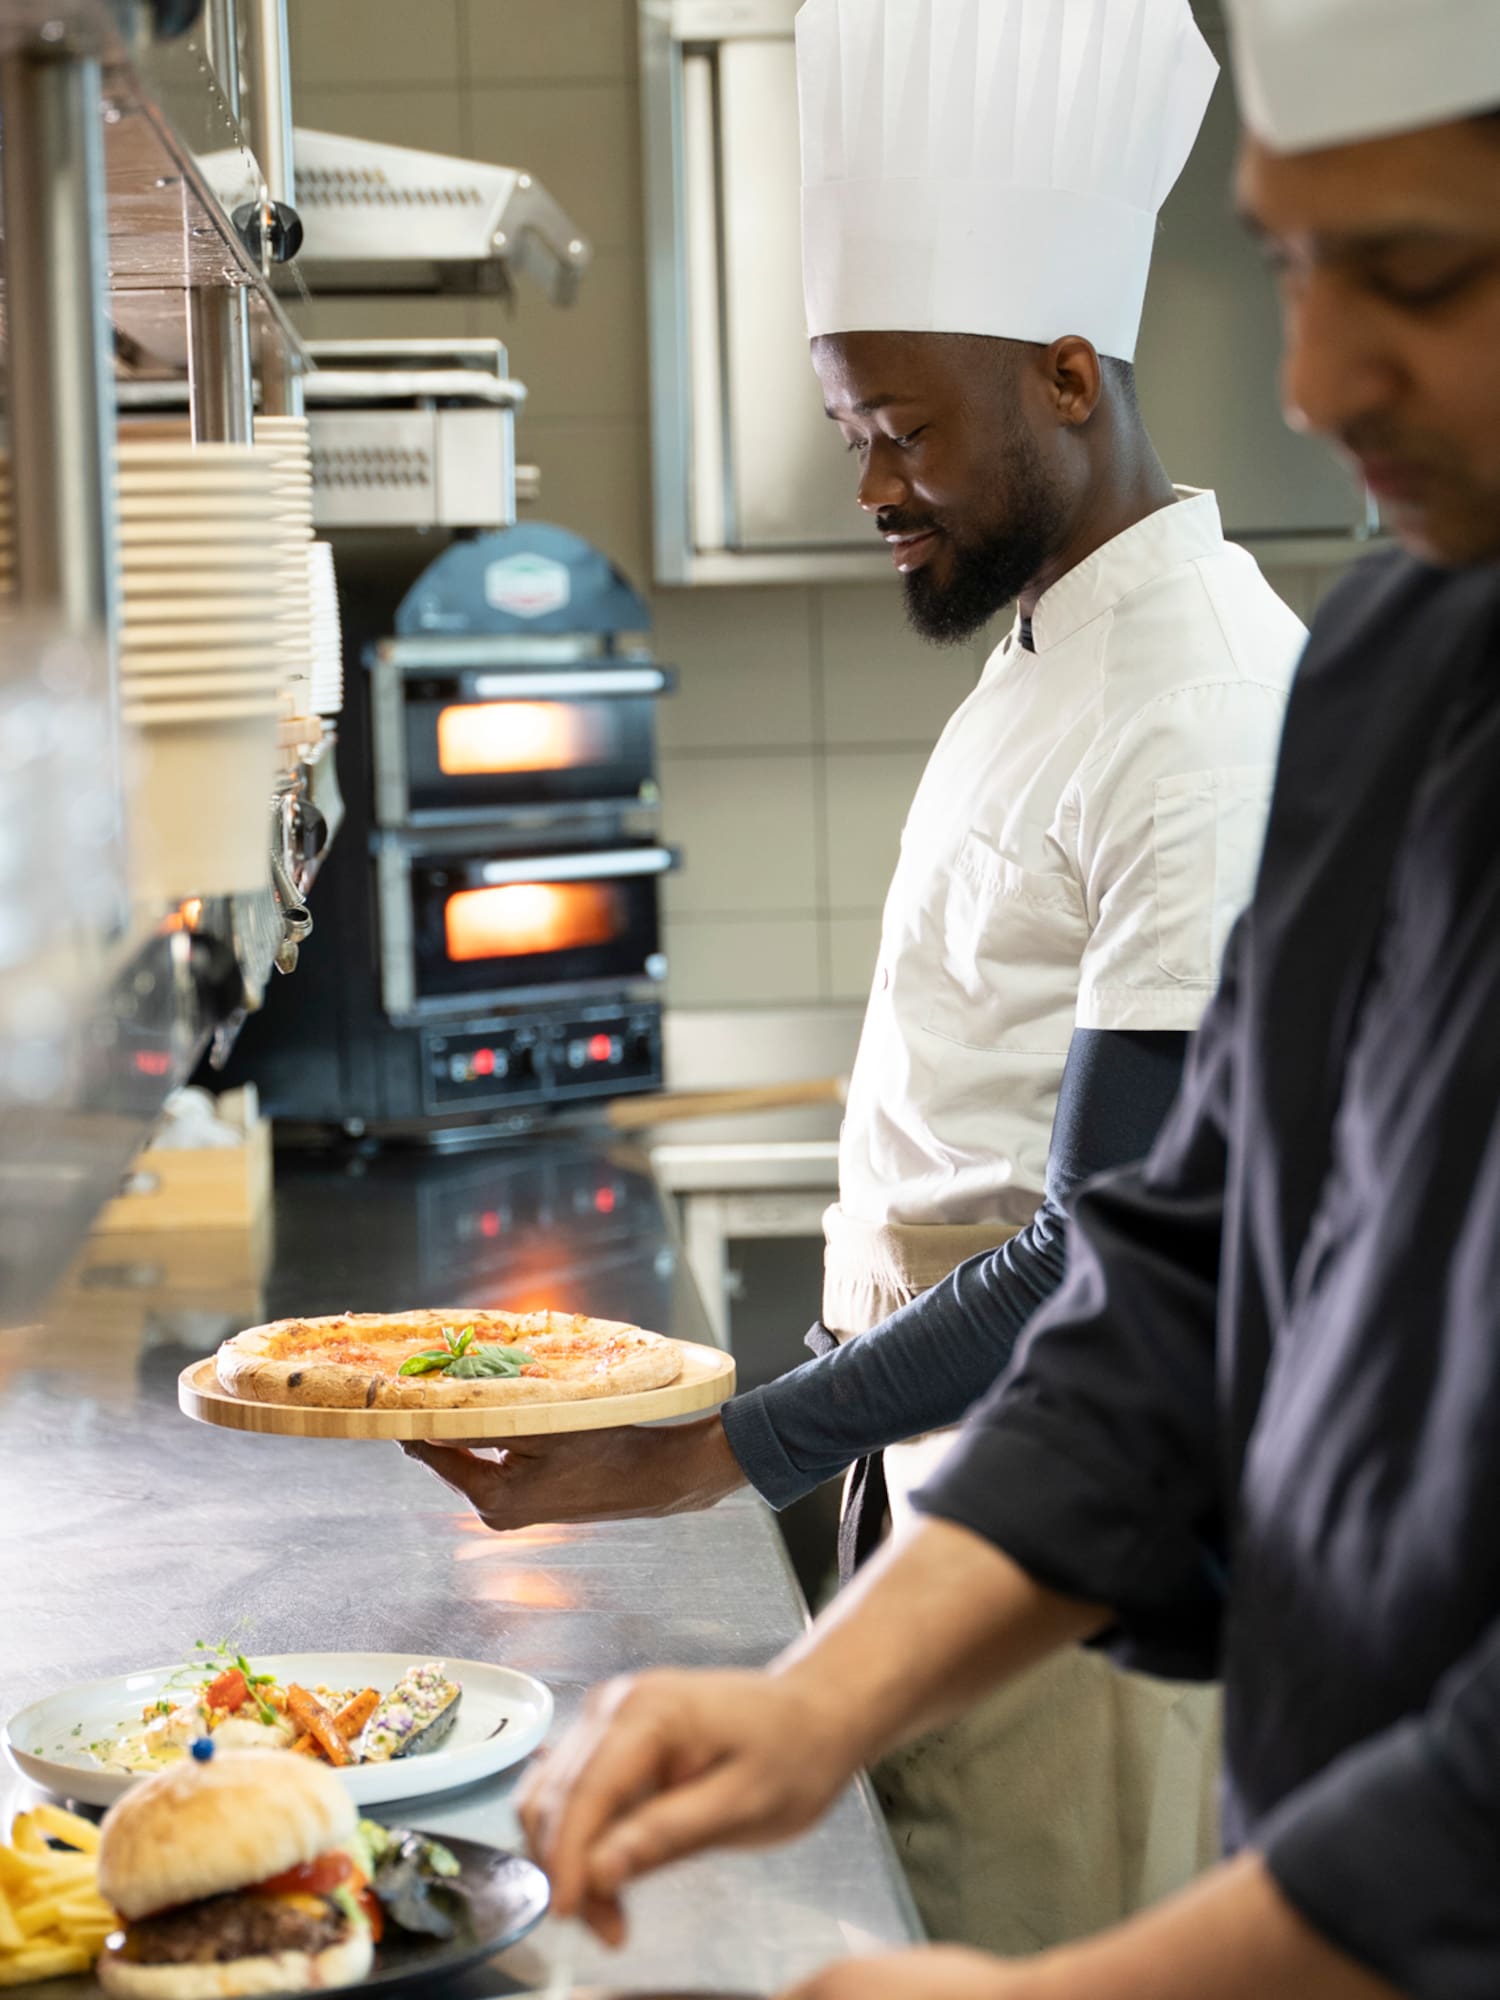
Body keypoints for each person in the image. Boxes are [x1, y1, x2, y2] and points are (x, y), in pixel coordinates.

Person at [510, 2, 1500, 1995]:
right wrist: (819, 1698)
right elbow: (1174, 1256)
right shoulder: (1404, 656)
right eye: (1292, 269)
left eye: (1412, 274)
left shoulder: (1220, 697)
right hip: (1319, 1816)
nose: (1304, 379)